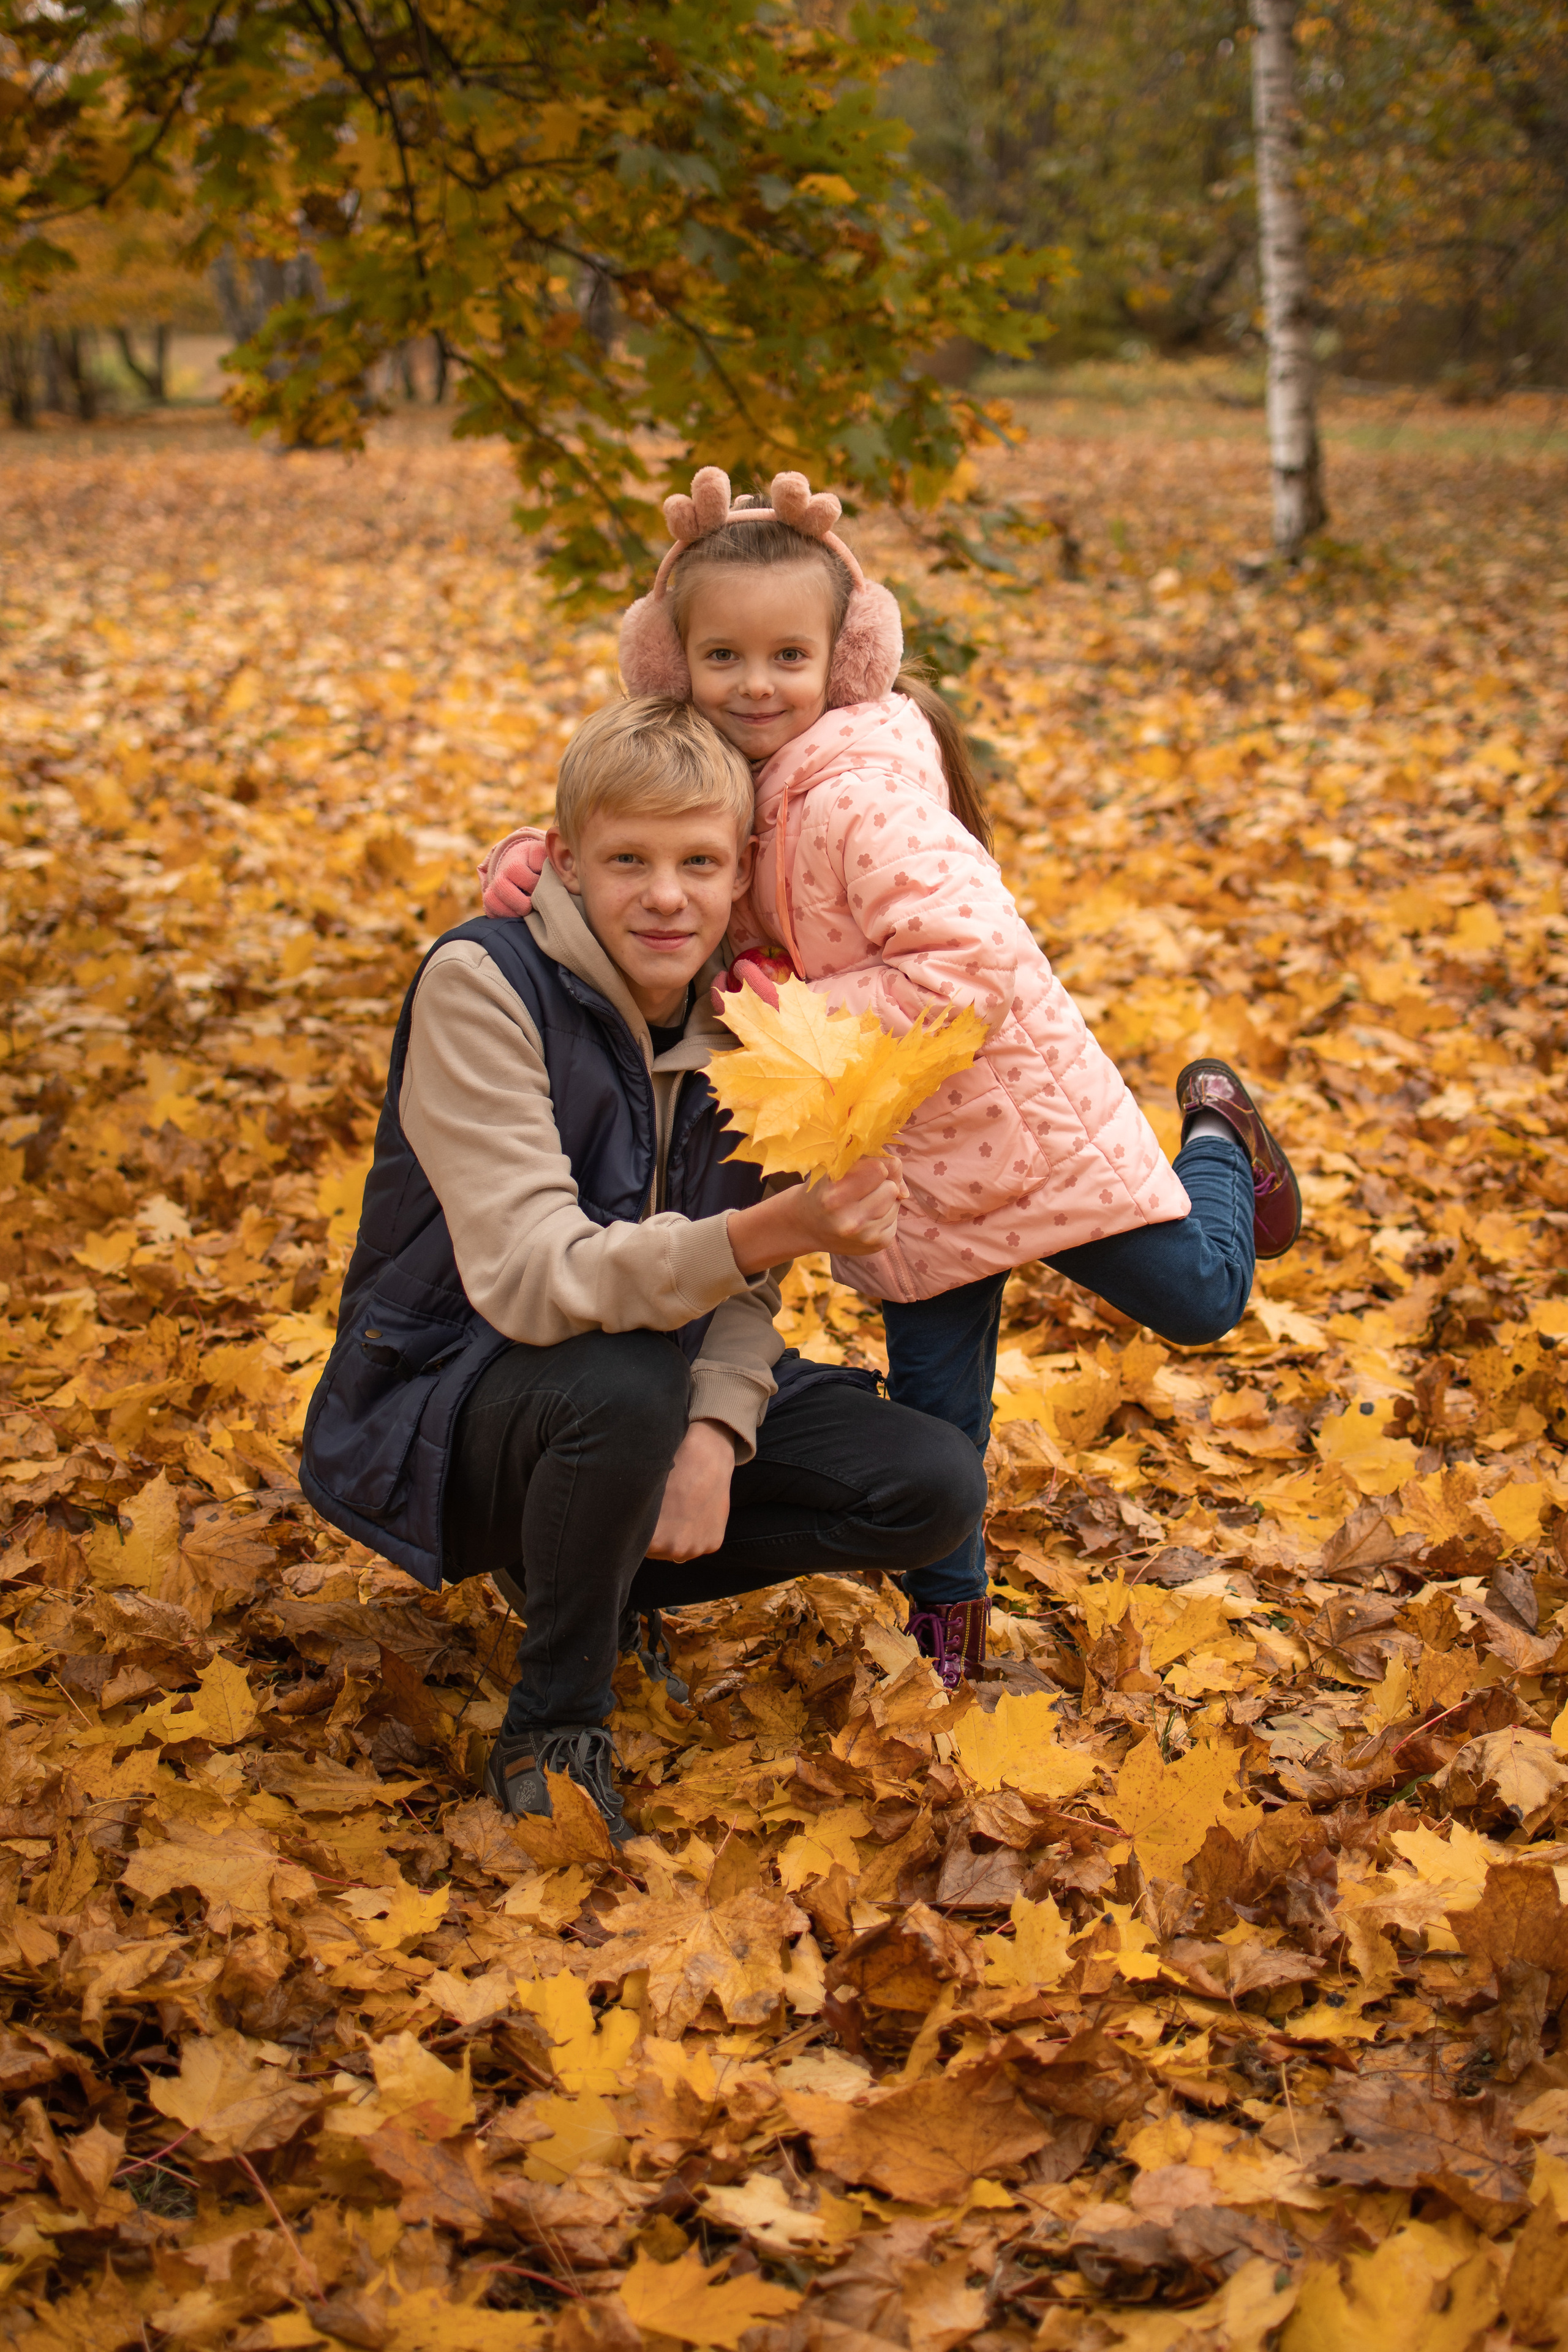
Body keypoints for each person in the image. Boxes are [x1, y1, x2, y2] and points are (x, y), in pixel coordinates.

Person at [478, 469, 1302, 1691]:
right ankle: (948, 1644)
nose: (755, 685)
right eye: (721, 656)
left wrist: (789, 1018)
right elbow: (633, 840)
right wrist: (532, 870)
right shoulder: (727, 780)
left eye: (788, 657)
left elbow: (970, 962)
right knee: (937, 1420)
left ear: (843, 660)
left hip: (1012, 1128)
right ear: (670, 663)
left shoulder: (859, 798)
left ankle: (1220, 1132)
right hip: (895, 1175)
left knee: (1197, 1297)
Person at [301, 697, 987, 1839]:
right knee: (624, 1384)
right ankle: (557, 1723)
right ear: (567, 861)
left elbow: (742, 1291)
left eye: (699, 863)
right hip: (452, 1393)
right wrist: (774, 1231)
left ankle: (587, 1563)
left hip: (652, 1381)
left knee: (930, 1484)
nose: (667, 896)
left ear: (740, 870)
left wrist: (715, 1437)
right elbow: (536, 1276)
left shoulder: (754, 1018)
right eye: (629, 861)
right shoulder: (484, 983)